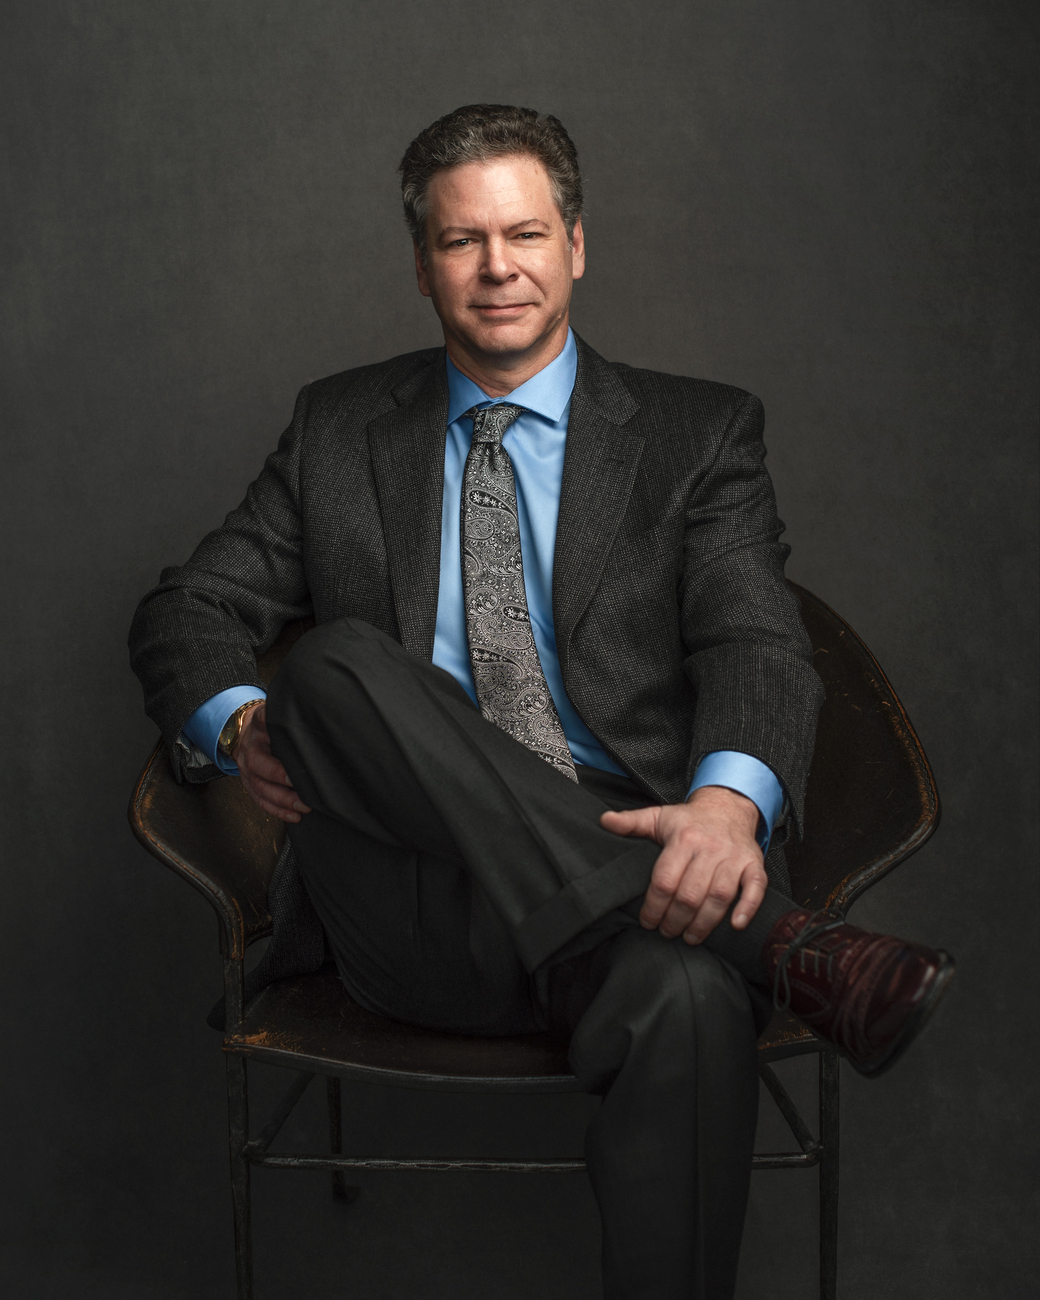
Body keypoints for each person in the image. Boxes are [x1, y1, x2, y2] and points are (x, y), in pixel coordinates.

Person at [129, 104, 953, 1299]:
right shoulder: (338, 428)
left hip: (642, 884)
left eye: (523, 234)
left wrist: (724, 813)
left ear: (574, 244)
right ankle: (782, 943)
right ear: (422, 265)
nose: (496, 267)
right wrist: (243, 723)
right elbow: (185, 609)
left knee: (688, 1003)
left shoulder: (697, 433)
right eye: (461, 240)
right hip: (406, 900)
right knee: (329, 667)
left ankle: (726, 941)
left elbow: (755, 642)